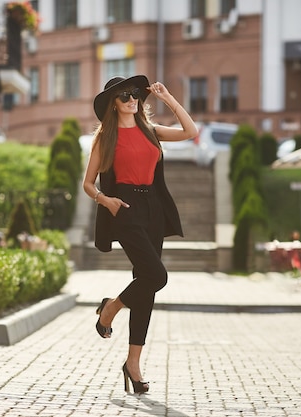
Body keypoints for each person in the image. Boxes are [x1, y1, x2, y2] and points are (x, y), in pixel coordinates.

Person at [83, 75, 198, 394]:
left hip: (154, 210)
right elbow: (88, 183)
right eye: (125, 96)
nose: (132, 99)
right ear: (112, 104)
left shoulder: (151, 131)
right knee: (157, 276)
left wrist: (168, 99)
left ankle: (132, 363)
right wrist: (106, 201)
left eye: (135, 94)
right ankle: (111, 309)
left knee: (146, 286)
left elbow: (191, 132)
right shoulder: (105, 138)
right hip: (125, 209)